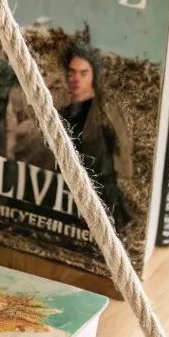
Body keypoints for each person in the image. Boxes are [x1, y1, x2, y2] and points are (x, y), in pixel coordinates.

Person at [57, 44, 131, 230]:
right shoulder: (63, 113)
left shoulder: (105, 111)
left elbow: (122, 148)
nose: (76, 79)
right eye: (72, 72)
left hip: (103, 196)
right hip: (67, 197)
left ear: (93, 76)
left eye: (83, 73)